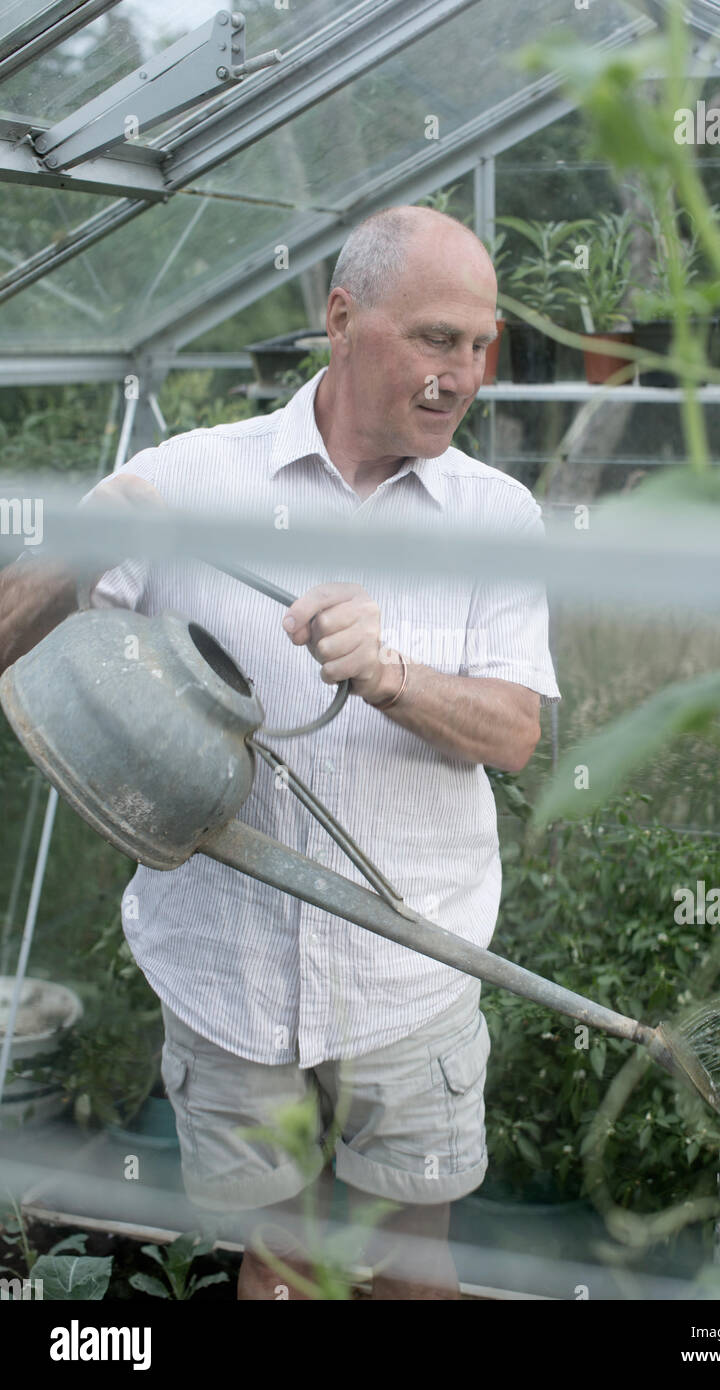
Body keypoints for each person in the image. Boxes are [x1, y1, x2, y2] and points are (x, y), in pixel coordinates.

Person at [0, 204, 561, 1299]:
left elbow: (518, 733)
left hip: (412, 973)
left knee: (412, 1267)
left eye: (480, 345)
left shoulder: (495, 512)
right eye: (437, 338)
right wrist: (75, 553)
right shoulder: (192, 483)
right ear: (343, 318)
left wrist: (390, 674)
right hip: (228, 978)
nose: (465, 373)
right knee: (283, 1264)